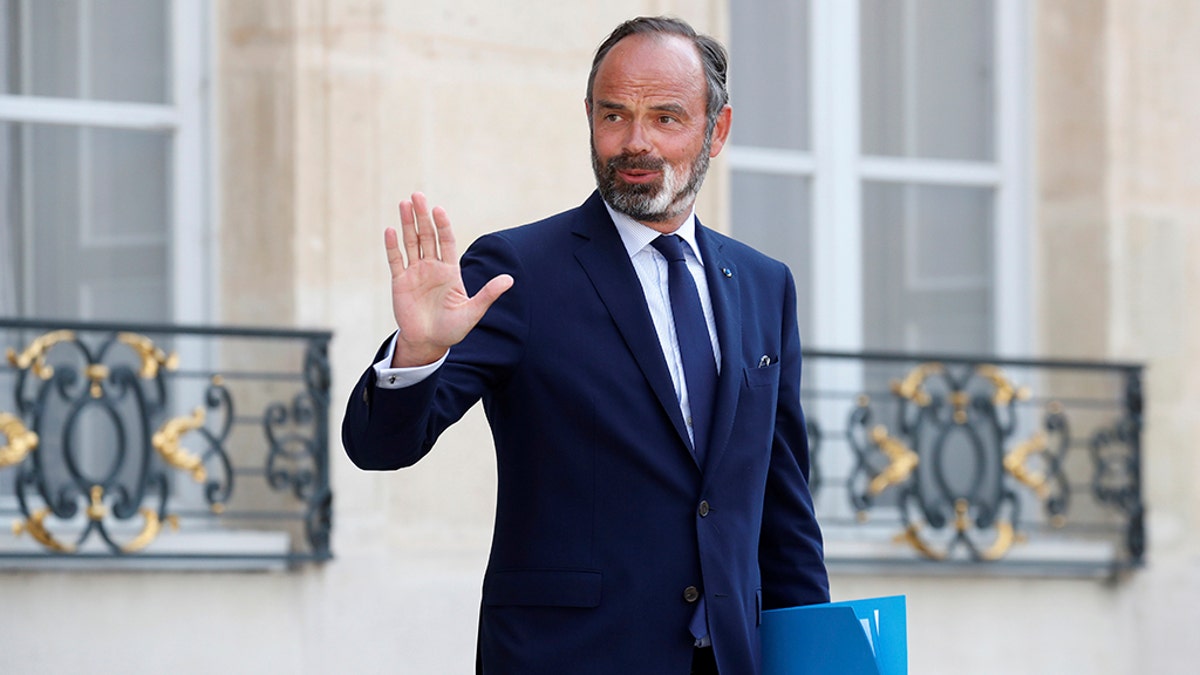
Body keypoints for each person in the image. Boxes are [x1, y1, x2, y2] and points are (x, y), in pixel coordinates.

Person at [342, 16, 829, 675]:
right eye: (614, 115)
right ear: (589, 120)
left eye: (665, 118)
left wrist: (812, 658)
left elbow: (783, 512)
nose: (635, 142)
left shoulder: (766, 286)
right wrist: (417, 354)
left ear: (717, 130)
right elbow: (381, 446)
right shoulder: (519, 270)